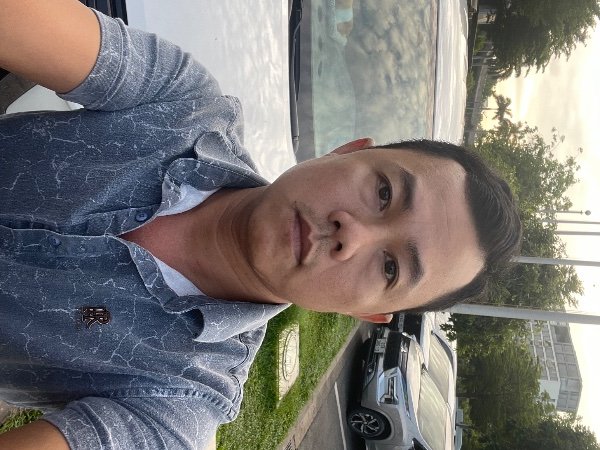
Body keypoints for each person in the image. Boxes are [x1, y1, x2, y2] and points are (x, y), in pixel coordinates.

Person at [0, 1, 522, 449]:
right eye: (384, 192)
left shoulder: (180, 404)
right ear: (348, 151)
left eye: (390, 268)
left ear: (367, 313)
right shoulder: (180, 102)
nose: (352, 235)